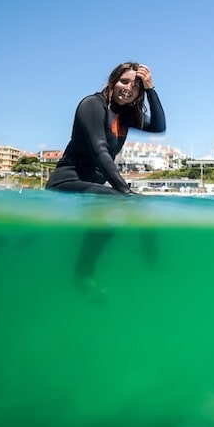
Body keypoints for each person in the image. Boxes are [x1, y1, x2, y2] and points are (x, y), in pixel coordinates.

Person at [46, 62, 167, 300]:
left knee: (136, 206)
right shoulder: (92, 105)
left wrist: (152, 90)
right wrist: (126, 192)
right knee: (120, 203)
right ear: (112, 81)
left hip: (92, 189)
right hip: (65, 182)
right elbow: (100, 151)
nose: (128, 89)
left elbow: (159, 126)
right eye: (124, 82)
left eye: (136, 87)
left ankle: (150, 256)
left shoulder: (127, 115)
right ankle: (82, 274)